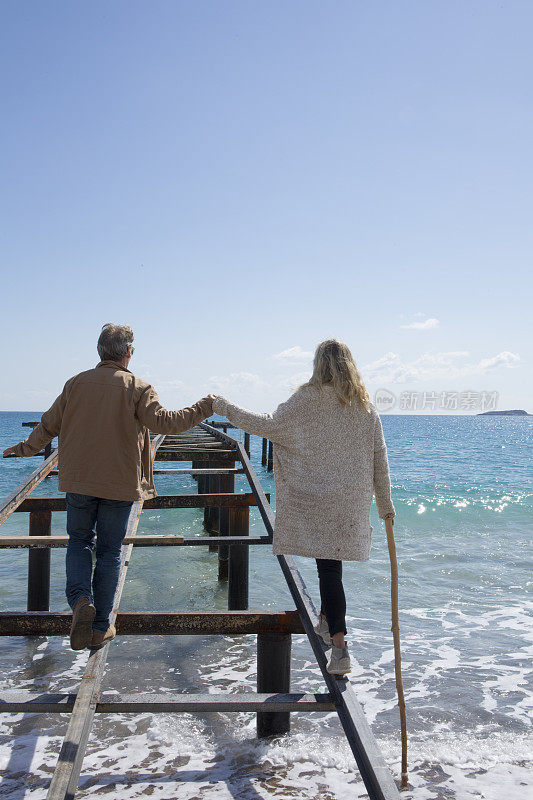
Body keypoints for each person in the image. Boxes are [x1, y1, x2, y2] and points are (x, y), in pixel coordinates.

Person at [3, 324, 214, 651]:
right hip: (120, 484)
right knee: (110, 551)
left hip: (79, 480)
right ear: (128, 352)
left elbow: (47, 426)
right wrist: (206, 406)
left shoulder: (75, 384)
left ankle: (80, 600)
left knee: (79, 541)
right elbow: (166, 423)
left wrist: (23, 449)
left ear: (100, 352)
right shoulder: (138, 388)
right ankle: (100, 627)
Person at [212, 339, 395, 675]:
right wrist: (385, 504)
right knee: (331, 567)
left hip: (315, 500)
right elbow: (378, 458)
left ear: (318, 365)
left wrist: (226, 407)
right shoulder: (365, 407)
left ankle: (339, 649)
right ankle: (327, 623)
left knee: (328, 570)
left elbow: (266, 425)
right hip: (348, 503)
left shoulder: (305, 400)